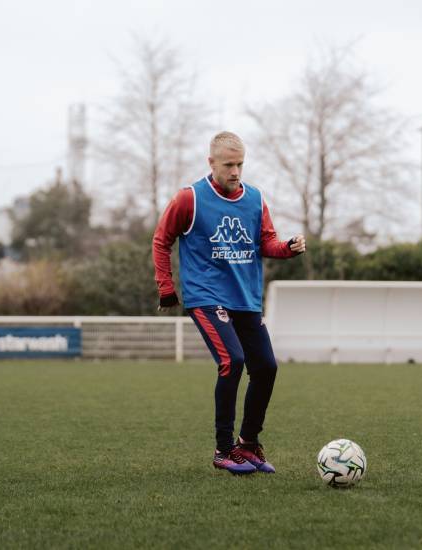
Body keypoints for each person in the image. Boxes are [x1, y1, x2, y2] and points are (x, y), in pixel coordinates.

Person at [153, 131, 306, 475]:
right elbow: (162, 240)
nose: (235, 171)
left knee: (266, 367)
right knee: (232, 360)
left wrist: (288, 248)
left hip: (246, 299)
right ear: (211, 163)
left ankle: (248, 443)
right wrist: (167, 287)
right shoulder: (189, 198)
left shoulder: (254, 199)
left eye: (240, 164)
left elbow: (266, 242)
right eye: (228, 165)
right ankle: (224, 450)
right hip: (206, 297)